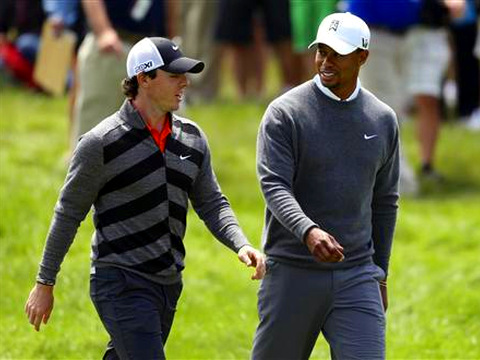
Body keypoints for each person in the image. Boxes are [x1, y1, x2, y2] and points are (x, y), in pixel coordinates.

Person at [25, 37, 266, 360]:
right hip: (120, 280)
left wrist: (241, 243)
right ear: (144, 78)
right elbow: (68, 214)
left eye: (185, 75)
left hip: (168, 283)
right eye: (174, 75)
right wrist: (45, 282)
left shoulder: (192, 138)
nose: (185, 82)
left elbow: (211, 203)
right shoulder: (101, 143)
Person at [251, 12, 399, 359]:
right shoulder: (284, 113)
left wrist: (382, 275)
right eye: (321, 51)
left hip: (357, 274)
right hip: (291, 271)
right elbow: (274, 185)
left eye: (337, 53)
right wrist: (309, 232)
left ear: (362, 56)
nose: (325, 61)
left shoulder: (382, 119)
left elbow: (385, 201)